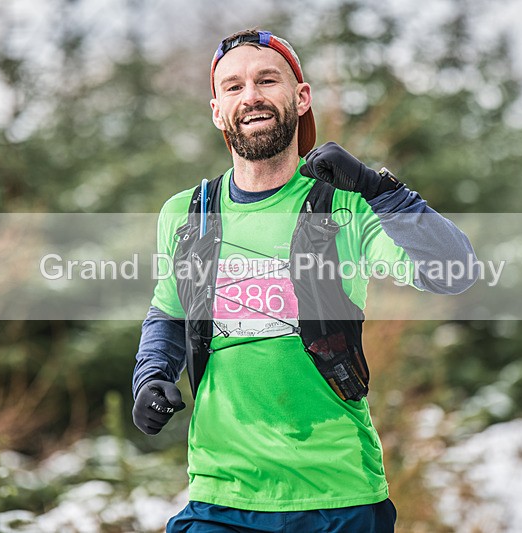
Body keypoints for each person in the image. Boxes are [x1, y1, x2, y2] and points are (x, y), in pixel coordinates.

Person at [131, 29, 478, 532]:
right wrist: (151, 374)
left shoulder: (346, 205)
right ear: (217, 111)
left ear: (301, 97)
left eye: (267, 80)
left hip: (338, 495)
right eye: (233, 86)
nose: (251, 95)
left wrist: (381, 191)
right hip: (221, 495)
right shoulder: (189, 213)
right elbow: (169, 312)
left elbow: (455, 271)